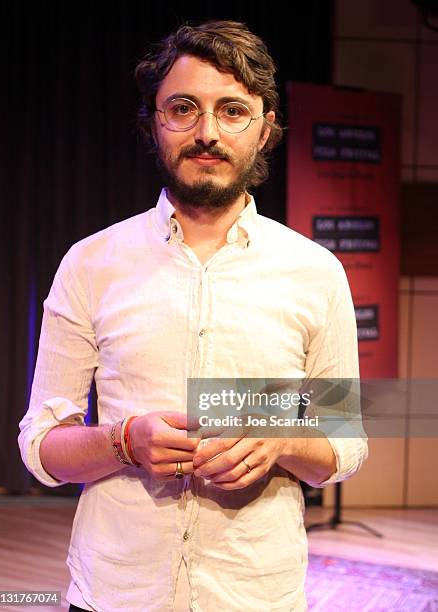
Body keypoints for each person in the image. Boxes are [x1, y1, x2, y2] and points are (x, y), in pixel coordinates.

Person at [19, 20, 367, 612]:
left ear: (265, 129)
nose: (207, 132)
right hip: (115, 593)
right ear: (153, 125)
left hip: (256, 593)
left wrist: (277, 439)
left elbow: (344, 444)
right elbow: (41, 447)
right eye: (183, 108)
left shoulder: (316, 271)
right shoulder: (92, 263)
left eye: (232, 110)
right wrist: (125, 441)